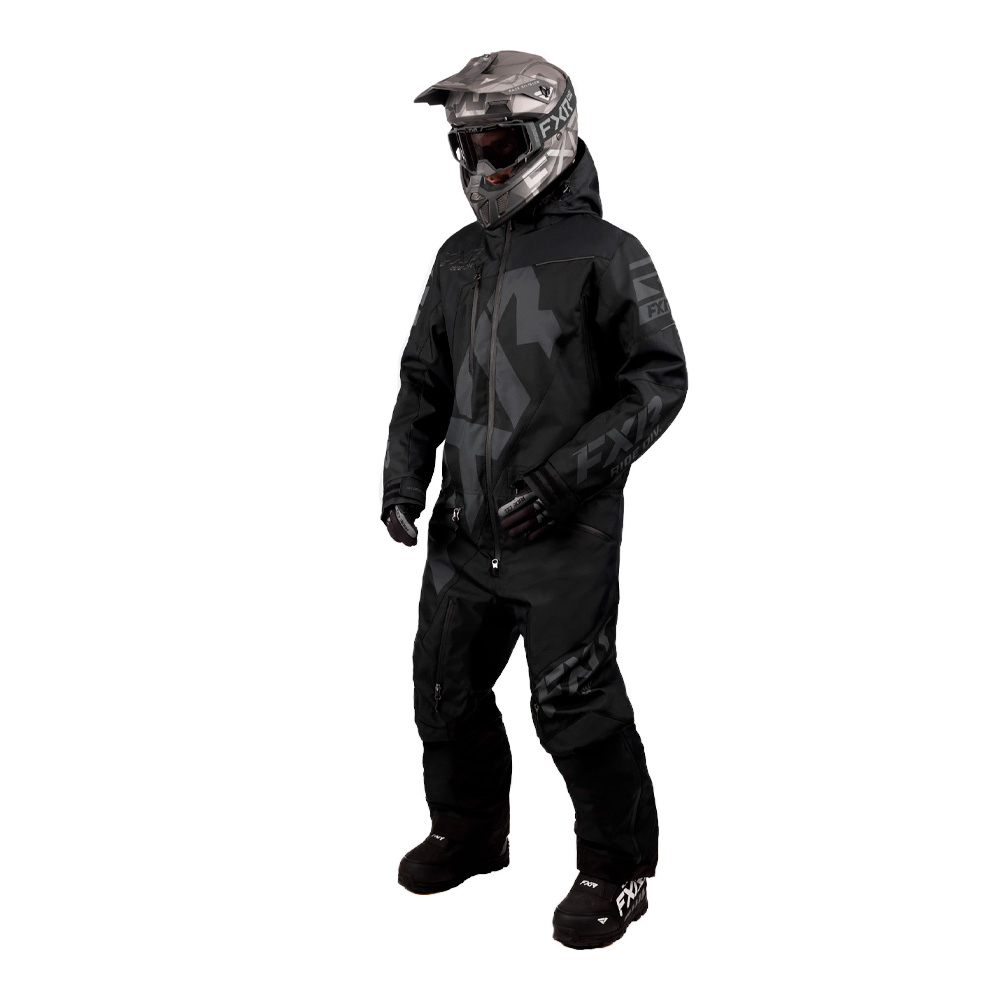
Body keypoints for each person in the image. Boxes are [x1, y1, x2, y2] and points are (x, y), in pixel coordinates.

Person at [381, 50, 687, 949]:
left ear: (549, 136)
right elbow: (424, 376)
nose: (480, 165)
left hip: (562, 535)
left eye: (498, 144)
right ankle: (471, 831)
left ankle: (617, 869)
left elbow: (659, 381)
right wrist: (403, 477)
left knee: (573, 704)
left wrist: (565, 480)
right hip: (463, 532)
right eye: (465, 147)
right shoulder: (457, 259)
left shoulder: (609, 255)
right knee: (443, 691)